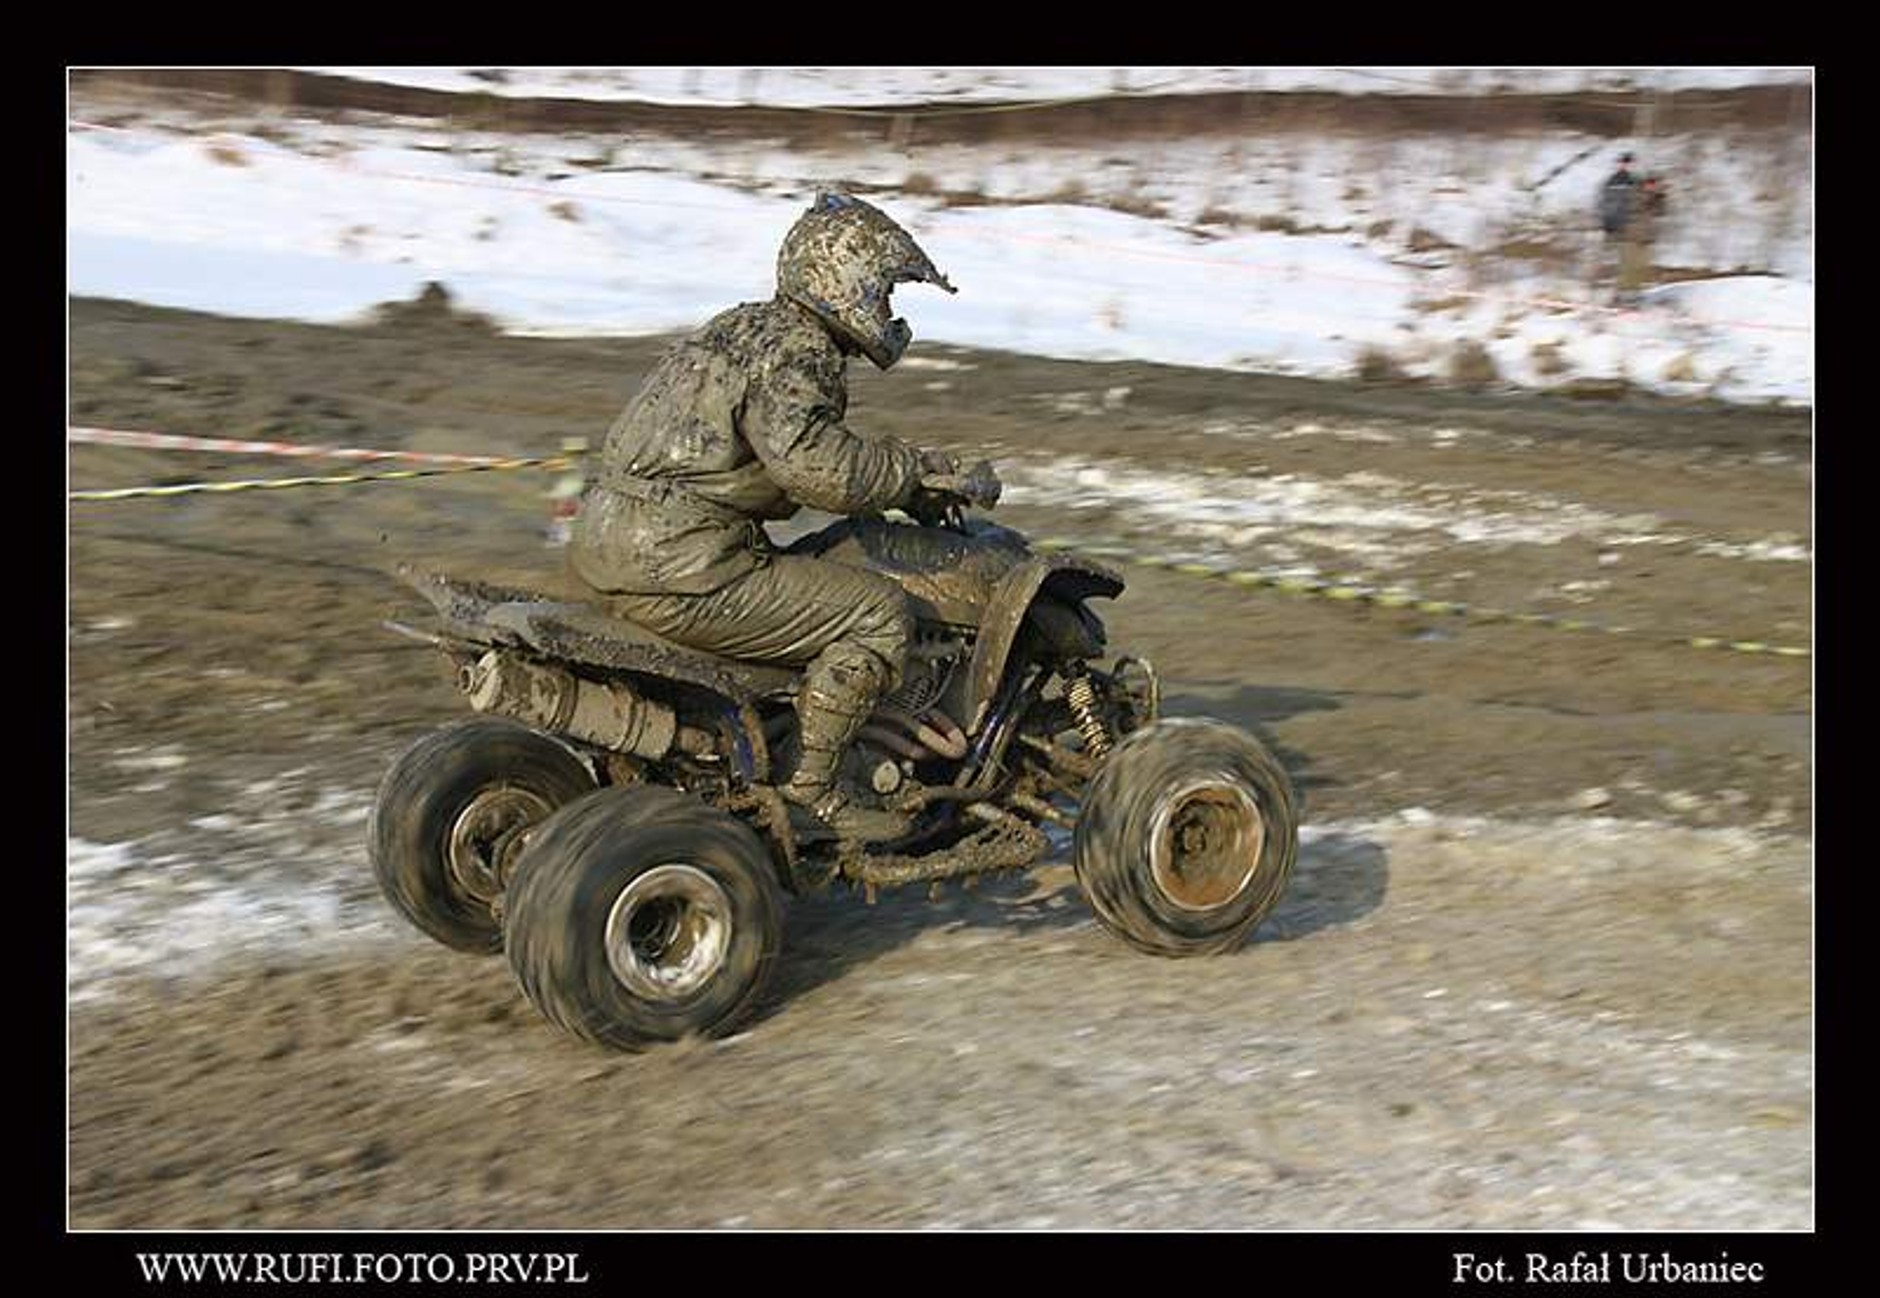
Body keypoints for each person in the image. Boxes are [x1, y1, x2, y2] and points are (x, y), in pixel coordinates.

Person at [568, 192, 995, 838]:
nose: (886, 310)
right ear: (845, 280)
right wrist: (917, 472)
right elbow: (814, 466)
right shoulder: (801, 349)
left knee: (815, 569)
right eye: (883, 292)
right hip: (684, 562)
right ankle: (815, 789)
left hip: (609, 540)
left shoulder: (739, 327)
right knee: (878, 611)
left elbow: (766, 452)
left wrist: (903, 490)